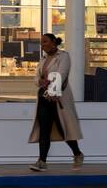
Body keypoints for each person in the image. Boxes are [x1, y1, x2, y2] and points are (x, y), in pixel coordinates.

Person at [28, 33, 84, 172]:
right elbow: (36, 77)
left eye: (45, 42)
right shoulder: (43, 59)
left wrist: (51, 84)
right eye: (41, 43)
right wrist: (40, 81)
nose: (43, 45)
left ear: (54, 42)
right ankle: (42, 161)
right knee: (44, 129)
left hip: (58, 98)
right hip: (44, 97)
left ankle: (77, 153)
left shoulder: (64, 56)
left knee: (63, 127)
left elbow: (62, 74)